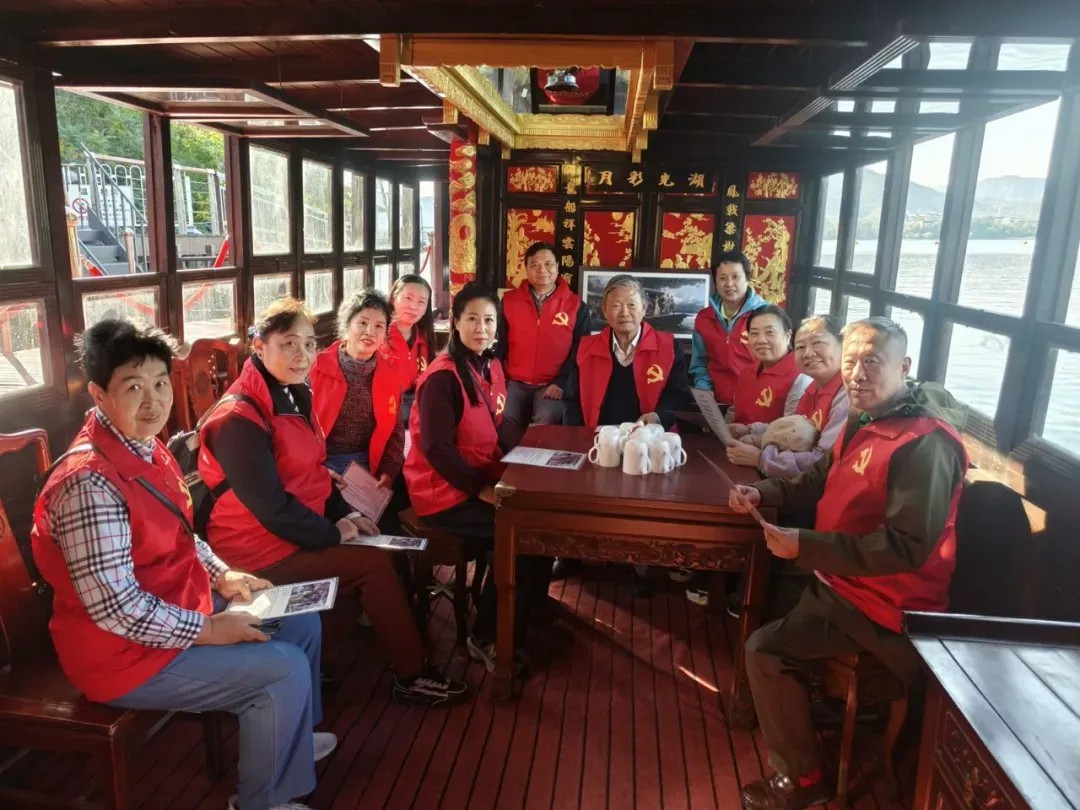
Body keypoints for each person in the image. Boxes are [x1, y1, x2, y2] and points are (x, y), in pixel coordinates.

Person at [31, 318, 332, 810]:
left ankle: (291, 738)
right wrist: (209, 629)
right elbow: (117, 609)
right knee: (282, 669)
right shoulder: (89, 483)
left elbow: (183, 535)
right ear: (99, 395)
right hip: (121, 656)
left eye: (159, 384)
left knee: (301, 622)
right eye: (133, 387)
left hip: (176, 604)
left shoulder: (146, 446)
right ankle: (260, 801)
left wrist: (222, 575)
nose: (152, 401)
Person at [729, 317, 968, 810]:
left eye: (872, 362)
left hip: (889, 606)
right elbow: (820, 477)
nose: (857, 374)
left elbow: (906, 547)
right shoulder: (865, 419)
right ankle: (803, 728)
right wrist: (763, 491)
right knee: (763, 608)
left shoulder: (926, 444)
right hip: (842, 583)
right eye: (852, 361)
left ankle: (803, 779)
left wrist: (806, 546)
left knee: (764, 649)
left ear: (904, 366)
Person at [198, 298, 467, 708]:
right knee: (371, 565)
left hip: (289, 533)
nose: (302, 355)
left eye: (308, 344)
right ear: (259, 346)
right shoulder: (238, 419)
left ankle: (316, 659)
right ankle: (413, 675)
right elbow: (271, 508)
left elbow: (315, 471)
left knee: (372, 547)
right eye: (288, 343)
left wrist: (348, 515)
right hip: (254, 550)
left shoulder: (292, 393)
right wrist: (332, 532)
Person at [404, 284, 550, 673]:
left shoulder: (487, 365)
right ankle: (487, 636)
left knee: (542, 517)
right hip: (443, 494)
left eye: (488, 320)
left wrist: (532, 454)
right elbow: (437, 449)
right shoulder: (442, 377)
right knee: (522, 534)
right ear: (455, 322)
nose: (481, 328)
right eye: (472, 319)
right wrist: (481, 490)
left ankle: (524, 609)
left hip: (478, 478)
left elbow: (496, 427)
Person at [565, 273, 691, 431]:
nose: (624, 313)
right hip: (599, 436)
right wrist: (581, 436)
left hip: (650, 437)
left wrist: (658, 417)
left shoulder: (669, 347)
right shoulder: (584, 349)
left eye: (631, 305)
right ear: (604, 310)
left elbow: (678, 396)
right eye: (616, 306)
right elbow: (572, 400)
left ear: (644, 308)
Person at [727, 314, 849, 477]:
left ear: (844, 345)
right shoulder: (813, 388)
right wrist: (750, 431)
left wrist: (761, 459)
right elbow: (791, 432)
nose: (808, 353)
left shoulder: (847, 397)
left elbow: (824, 462)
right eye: (800, 347)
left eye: (817, 343)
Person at [495, 241, 589, 445]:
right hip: (514, 381)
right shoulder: (508, 301)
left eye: (548, 264)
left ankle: (536, 463)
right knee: (505, 416)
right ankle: (511, 462)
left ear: (557, 267)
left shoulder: (575, 305)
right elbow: (499, 344)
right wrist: (498, 378)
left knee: (547, 417)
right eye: (535, 265)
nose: (542, 270)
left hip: (552, 383)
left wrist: (562, 382)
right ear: (526, 268)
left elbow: (580, 350)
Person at [310, 290, 405, 483]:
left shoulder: (391, 374)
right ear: (347, 325)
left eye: (379, 326)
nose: (370, 332)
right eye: (362, 323)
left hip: (370, 461)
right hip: (321, 461)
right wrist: (318, 469)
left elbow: (396, 431)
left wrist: (388, 472)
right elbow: (299, 428)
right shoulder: (316, 367)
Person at [726, 305, 811, 452]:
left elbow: (793, 432)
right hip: (735, 449)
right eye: (754, 333)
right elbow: (736, 411)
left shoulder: (801, 377)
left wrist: (754, 440)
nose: (761, 340)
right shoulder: (746, 373)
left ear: (788, 336)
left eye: (770, 332)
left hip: (772, 455)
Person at [689, 250, 768, 405]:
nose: (729, 284)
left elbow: (775, 365)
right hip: (716, 403)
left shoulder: (765, 315)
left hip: (757, 402)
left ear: (748, 278)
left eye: (735, 277)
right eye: (723, 278)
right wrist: (704, 390)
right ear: (715, 281)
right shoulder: (704, 318)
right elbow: (699, 363)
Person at [387, 274, 435, 423]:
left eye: (421, 302)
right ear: (393, 298)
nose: (414, 307)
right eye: (408, 298)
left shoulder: (424, 338)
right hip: (384, 414)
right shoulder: (378, 335)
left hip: (415, 413)